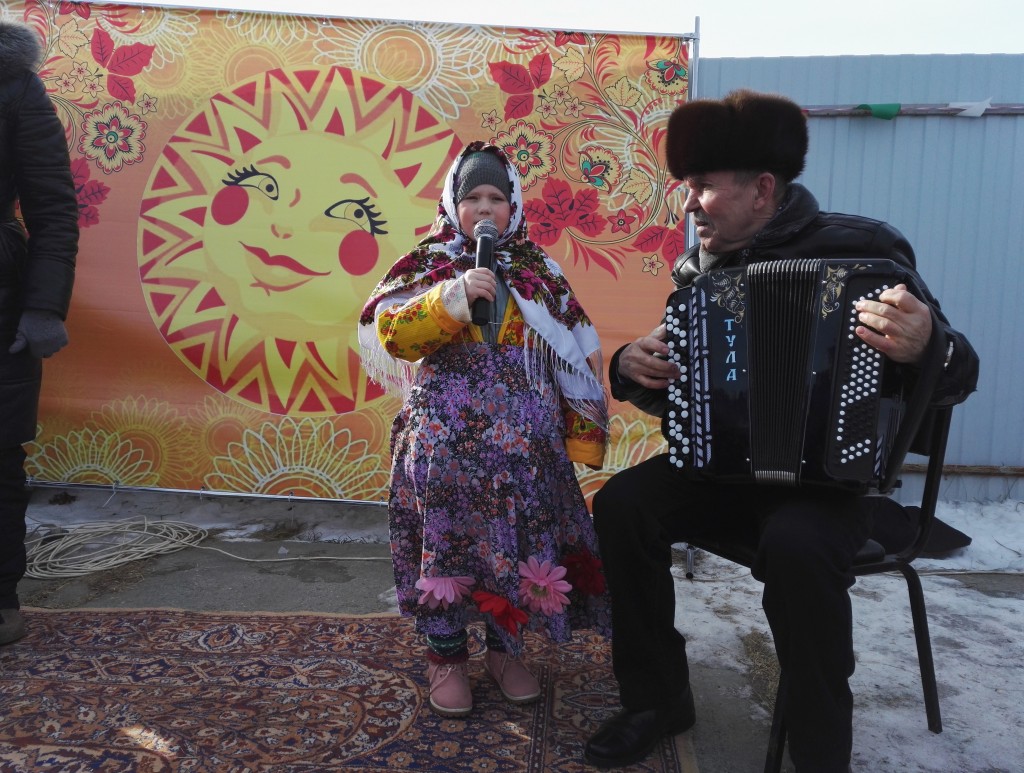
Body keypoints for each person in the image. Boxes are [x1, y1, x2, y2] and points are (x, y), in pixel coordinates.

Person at [583, 90, 979, 771]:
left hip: (830, 486)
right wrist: (630, 367)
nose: (688, 204)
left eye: (703, 186)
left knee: (797, 544)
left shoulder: (867, 251)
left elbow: (958, 373)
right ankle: (656, 699)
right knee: (622, 506)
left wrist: (928, 347)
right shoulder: (699, 274)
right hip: (722, 474)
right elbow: (685, 397)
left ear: (762, 189)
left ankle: (821, 749)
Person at [358, 142, 611, 717]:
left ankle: (505, 651)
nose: (485, 208)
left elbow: (574, 352)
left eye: (497, 197)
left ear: (513, 206)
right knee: (446, 547)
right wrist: (452, 298)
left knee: (514, 547)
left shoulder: (539, 271)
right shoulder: (428, 265)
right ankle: (446, 658)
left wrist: (579, 434)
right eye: (473, 197)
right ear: (454, 205)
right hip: (443, 448)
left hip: (523, 452)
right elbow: (393, 336)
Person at [0, 20, 79, 646]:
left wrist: (44, 308)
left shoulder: (14, 83)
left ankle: (1, 598)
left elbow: (52, 207)